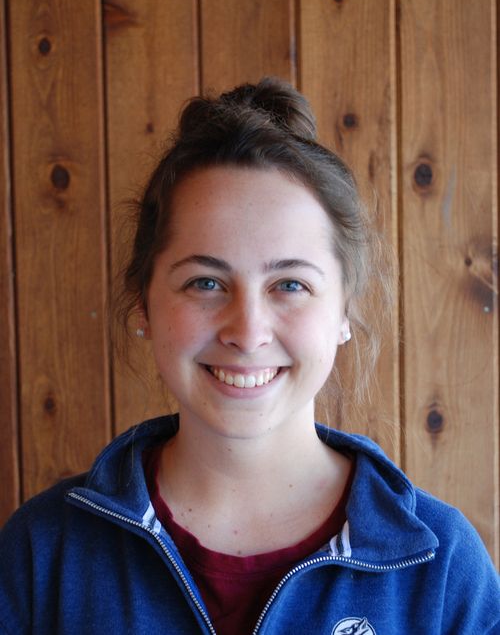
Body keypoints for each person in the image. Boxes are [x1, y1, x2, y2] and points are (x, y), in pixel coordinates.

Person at [0, 78, 498, 635]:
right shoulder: (42, 554)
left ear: (344, 311)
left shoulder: (443, 569)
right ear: (144, 304)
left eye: (290, 285)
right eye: (206, 282)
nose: (248, 331)